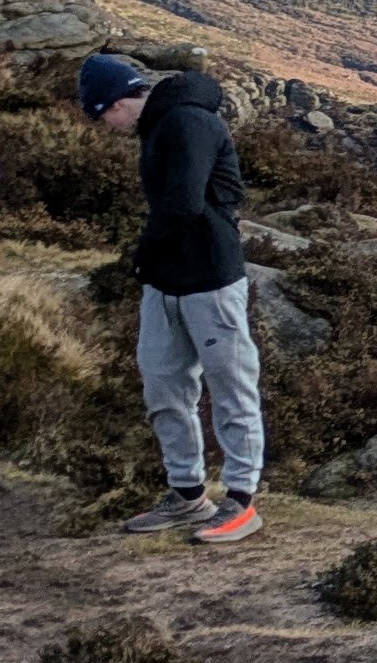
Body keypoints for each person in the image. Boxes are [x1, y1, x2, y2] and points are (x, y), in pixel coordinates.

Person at [79, 52, 265, 544]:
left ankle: (242, 501)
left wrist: (141, 255)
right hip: (167, 282)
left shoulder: (185, 122)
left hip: (209, 276)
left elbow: (182, 204)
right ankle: (187, 494)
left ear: (118, 102)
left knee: (231, 387)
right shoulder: (164, 124)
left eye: (102, 115)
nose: (106, 126)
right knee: (165, 387)